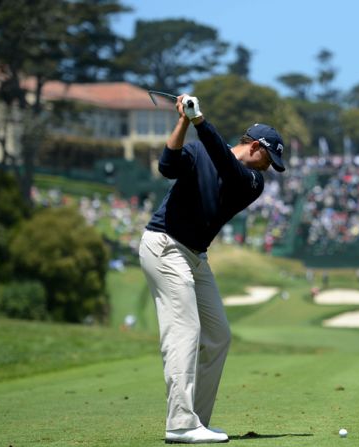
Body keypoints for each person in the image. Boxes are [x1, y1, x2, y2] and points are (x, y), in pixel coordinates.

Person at [139, 94, 286, 444]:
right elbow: (167, 165)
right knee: (185, 330)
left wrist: (201, 122)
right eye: (269, 157)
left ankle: (196, 422)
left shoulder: (251, 182)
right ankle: (180, 423)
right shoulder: (198, 151)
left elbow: (225, 163)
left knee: (218, 335)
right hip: (164, 245)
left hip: (194, 255)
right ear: (254, 146)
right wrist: (184, 121)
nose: (270, 166)